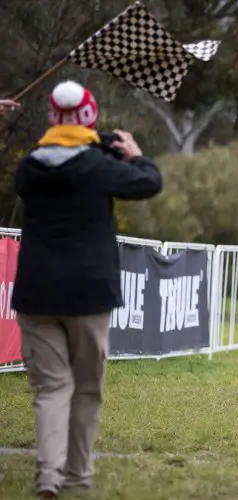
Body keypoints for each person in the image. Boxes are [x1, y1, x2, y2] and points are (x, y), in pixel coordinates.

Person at [12, 80, 163, 499]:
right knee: (87, 388)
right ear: (89, 118)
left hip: (36, 293)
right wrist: (133, 154)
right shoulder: (100, 168)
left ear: (51, 119)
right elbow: (148, 182)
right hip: (89, 295)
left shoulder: (27, 169)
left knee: (50, 389)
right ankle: (78, 475)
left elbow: (60, 161)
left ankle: (48, 475)